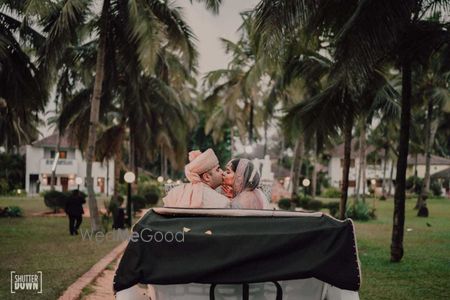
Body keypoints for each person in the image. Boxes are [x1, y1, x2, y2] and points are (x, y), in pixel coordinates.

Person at [163, 149, 230, 208]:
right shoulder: (222, 202)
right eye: (218, 169)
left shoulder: (174, 194)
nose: (223, 172)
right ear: (207, 177)